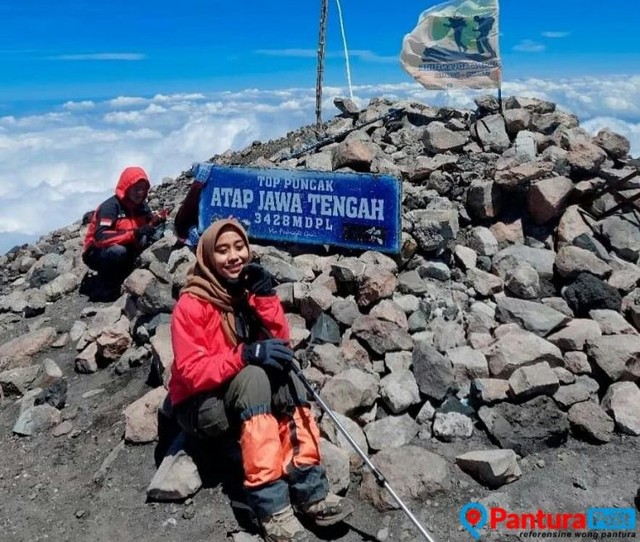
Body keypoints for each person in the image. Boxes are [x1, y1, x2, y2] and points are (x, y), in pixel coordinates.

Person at [168, 218, 354, 542]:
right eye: (223, 250)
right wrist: (245, 355)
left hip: (234, 389)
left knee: (288, 373)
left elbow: (281, 344)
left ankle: (310, 490)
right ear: (208, 257)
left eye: (239, 247)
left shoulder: (245, 289)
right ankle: (272, 510)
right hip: (199, 405)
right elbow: (191, 372)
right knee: (254, 377)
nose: (234, 256)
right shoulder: (191, 303)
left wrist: (266, 297)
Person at [82, 166, 166, 296]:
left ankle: (130, 272)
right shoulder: (110, 207)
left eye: (143, 189)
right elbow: (100, 237)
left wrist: (156, 221)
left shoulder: (141, 205)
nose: (140, 193)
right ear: (126, 188)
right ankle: (107, 283)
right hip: (97, 252)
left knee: (158, 235)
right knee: (118, 251)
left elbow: (146, 225)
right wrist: (134, 233)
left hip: (129, 245)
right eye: (136, 189)